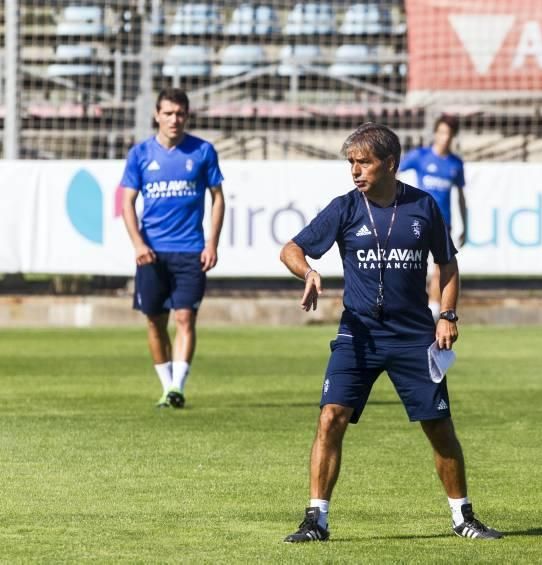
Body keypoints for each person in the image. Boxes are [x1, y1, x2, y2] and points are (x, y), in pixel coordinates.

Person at [279, 123, 501, 542]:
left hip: (414, 336)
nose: (355, 171)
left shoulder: (423, 207)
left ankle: (463, 517)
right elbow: (291, 248)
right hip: (358, 335)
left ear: (390, 164)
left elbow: (448, 265)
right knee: (330, 418)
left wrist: (447, 314)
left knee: (438, 427)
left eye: (363, 162)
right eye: (351, 163)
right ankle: (316, 520)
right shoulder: (344, 208)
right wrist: (307, 270)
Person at [120, 88, 225, 408]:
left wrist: (212, 243)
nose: (174, 119)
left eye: (180, 114)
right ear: (157, 115)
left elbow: (218, 197)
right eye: (168, 113)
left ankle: (177, 387)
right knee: (155, 320)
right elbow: (126, 202)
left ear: (187, 116)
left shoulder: (203, 151)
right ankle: (166, 385)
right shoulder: (140, 154)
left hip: (191, 250)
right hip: (151, 252)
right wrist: (138, 243)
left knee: (184, 318)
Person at [399, 115, 468, 319]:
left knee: (441, 267)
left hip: (443, 222)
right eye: (441, 132)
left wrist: (465, 224)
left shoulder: (455, 164)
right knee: (412, 263)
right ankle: (408, 304)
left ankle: (434, 311)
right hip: (418, 220)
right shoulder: (420, 156)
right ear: (436, 133)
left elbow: (461, 197)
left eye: (448, 134)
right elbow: (393, 171)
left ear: (453, 136)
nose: (444, 138)